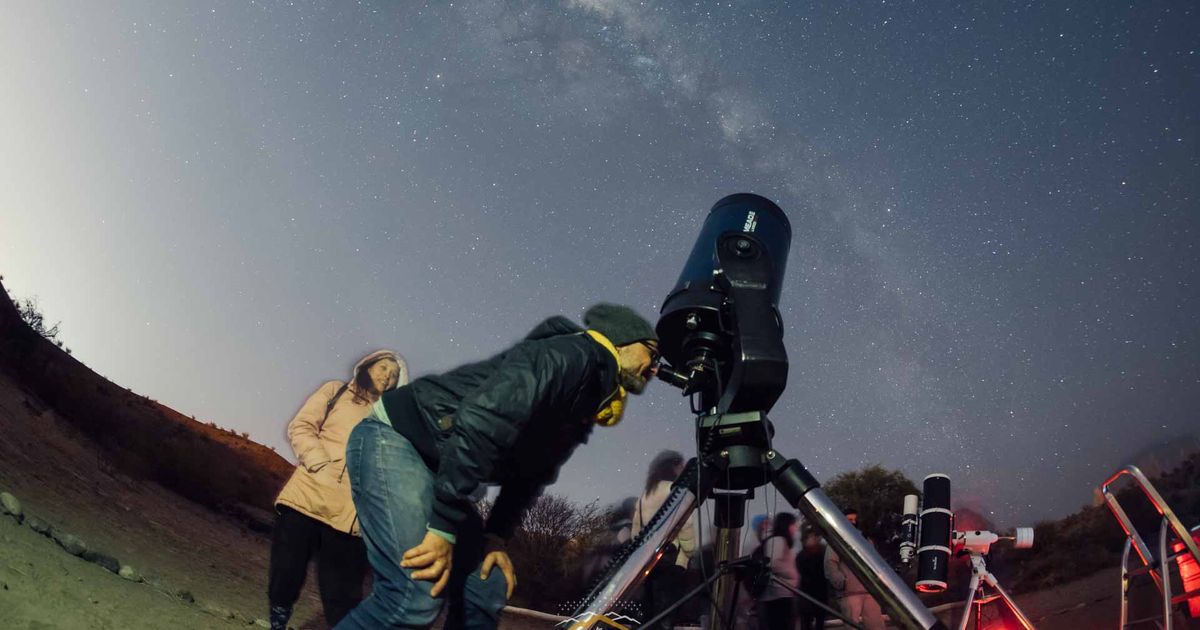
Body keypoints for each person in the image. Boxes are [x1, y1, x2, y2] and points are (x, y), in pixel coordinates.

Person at [334, 303, 660, 630]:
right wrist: (443, 526)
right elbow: (483, 420)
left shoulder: (591, 396)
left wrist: (496, 537)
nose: (655, 368)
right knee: (413, 595)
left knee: (485, 589)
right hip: (399, 439)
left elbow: (532, 475)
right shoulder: (569, 356)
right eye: (652, 354)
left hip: (442, 465)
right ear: (622, 340)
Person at [269, 350, 407, 630]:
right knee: (286, 572)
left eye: (393, 375)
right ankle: (278, 620)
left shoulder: (392, 419)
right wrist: (319, 462)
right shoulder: (335, 391)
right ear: (368, 366)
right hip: (306, 495)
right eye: (382, 367)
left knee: (343, 593)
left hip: (351, 514)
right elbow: (302, 426)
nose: (386, 376)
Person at [630, 450, 698, 630]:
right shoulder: (674, 490)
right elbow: (685, 524)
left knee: (649, 612)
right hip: (671, 560)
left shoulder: (645, 495)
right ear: (674, 467)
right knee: (665, 613)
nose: (684, 469)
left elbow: (635, 531)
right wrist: (691, 550)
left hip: (647, 561)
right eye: (681, 466)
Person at [824, 508, 884, 630]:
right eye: (849, 519)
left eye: (855, 519)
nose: (853, 522)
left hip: (869, 590)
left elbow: (874, 562)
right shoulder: (837, 539)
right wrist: (841, 582)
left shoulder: (865, 540)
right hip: (849, 593)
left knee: (876, 625)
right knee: (851, 626)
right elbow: (830, 562)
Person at [758, 513, 799, 630]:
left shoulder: (782, 542)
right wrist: (791, 573)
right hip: (777, 595)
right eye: (793, 525)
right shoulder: (777, 540)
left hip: (784, 592)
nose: (795, 528)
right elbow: (772, 563)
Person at [794, 527, 829, 630]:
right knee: (806, 621)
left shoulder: (823, 553)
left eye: (814, 537)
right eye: (810, 537)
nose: (813, 539)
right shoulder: (802, 556)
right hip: (807, 593)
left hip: (821, 592)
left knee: (820, 620)